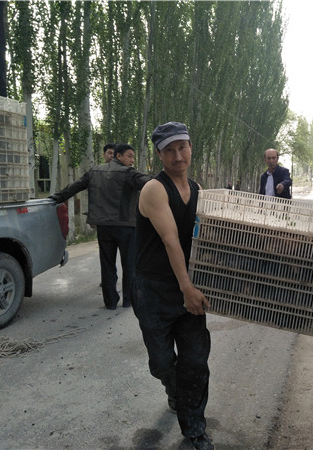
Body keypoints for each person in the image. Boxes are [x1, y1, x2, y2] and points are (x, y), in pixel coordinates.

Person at [132, 122, 213, 450]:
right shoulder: (154, 189)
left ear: (191, 147)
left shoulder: (197, 189)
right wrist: (187, 289)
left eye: (182, 147)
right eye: (169, 150)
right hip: (154, 290)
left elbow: (204, 240)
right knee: (162, 363)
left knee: (195, 361)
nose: (178, 156)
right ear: (159, 154)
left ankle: (194, 429)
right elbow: (170, 240)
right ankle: (173, 387)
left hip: (188, 287)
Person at [49, 144, 152, 310]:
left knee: (107, 264)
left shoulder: (94, 172)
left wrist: (56, 198)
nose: (132, 160)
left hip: (104, 226)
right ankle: (129, 300)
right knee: (130, 264)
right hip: (126, 226)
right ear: (118, 156)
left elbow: (75, 186)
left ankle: (110, 302)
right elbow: (151, 183)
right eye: (129, 156)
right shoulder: (129, 174)